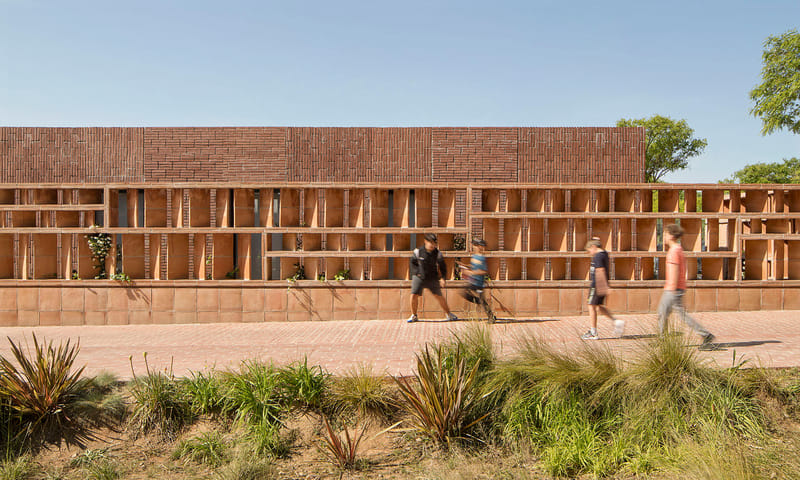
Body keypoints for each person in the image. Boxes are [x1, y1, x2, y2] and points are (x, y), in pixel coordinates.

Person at [658, 224, 715, 346]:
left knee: (673, 314)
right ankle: (663, 340)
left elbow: (675, 270)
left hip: (673, 288)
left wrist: (672, 289)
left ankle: (705, 334)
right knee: (664, 313)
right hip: (676, 287)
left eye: (666, 234)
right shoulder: (678, 249)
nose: (664, 237)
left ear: (672, 236)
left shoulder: (674, 251)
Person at [407, 233, 458, 323]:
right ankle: (414, 315)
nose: (432, 245)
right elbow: (412, 263)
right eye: (430, 242)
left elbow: (443, 267)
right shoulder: (418, 251)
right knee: (414, 294)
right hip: (419, 277)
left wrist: (442, 278)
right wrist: (416, 273)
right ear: (425, 242)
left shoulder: (437, 253)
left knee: (439, 296)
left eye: (434, 243)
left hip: (432, 277)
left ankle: (448, 314)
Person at [581, 238, 625, 339]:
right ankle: (616, 321)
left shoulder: (598, 256)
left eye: (589, 250)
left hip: (597, 285)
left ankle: (593, 332)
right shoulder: (604, 254)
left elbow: (600, 271)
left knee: (591, 306)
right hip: (601, 285)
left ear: (594, 247)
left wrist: (603, 287)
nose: (589, 253)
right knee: (598, 307)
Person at [457, 238, 496, 323]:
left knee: (482, 300)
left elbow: (484, 271)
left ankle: (491, 317)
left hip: (479, 283)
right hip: (473, 281)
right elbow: (473, 266)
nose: (474, 247)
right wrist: (464, 265)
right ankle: (480, 303)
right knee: (464, 292)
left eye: (476, 245)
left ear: (480, 247)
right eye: (474, 245)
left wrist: (471, 273)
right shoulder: (474, 256)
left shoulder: (482, 258)